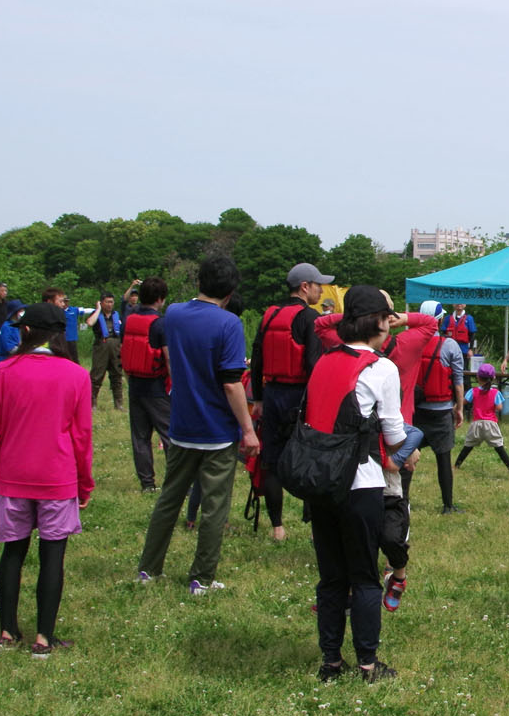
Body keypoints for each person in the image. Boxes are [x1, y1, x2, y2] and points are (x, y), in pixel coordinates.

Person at [135, 256, 261, 595]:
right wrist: (248, 430)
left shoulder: (173, 313)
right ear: (231, 290)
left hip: (181, 425)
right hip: (217, 430)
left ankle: (148, 569)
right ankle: (202, 578)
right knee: (214, 507)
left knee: (169, 499)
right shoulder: (229, 323)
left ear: (198, 282)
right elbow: (232, 383)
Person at [303, 285, 407, 683]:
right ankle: (367, 663)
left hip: (319, 481)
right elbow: (394, 435)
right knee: (363, 576)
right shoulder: (381, 368)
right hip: (361, 482)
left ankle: (330, 662)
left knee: (331, 577)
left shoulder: (325, 361)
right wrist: (407, 448)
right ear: (379, 321)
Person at [0, 301, 94, 656]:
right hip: (58, 478)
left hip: (13, 476)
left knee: (12, 553)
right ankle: (44, 637)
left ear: (26, 331)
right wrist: (84, 482)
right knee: (52, 557)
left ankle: (7, 630)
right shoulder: (76, 375)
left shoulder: (5, 371)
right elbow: (81, 435)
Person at [252, 262, 333, 539]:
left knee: (271, 461)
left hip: (272, 394)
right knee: (309, 457)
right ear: (305, 287)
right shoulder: (310, 318)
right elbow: (313, 363)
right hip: (299, 396)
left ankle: (277, 527)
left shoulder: (270, 315)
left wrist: (259, 399)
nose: (321, 290)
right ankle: (312, 522)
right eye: (318, 285)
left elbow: (257, 359)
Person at [402, 301, 465, 512]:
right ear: (438, 320)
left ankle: (402, 501)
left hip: (415, 411)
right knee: (444, 459)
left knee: (408, 458)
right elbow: (457, 380)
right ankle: (448, 506)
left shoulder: (409, 343)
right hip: (441, 412)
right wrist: (459, 408)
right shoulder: (450, 346)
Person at [120, 277, 172, 490]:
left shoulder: (129, 319)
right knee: (170, 436)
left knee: (140, 437)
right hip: (157, 388)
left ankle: (147, 483)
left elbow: (124, 351)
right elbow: (169, 359)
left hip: (135, 385)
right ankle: (178, 483)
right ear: (160, 299)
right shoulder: (161, 323)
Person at [454, 364, 509, 473]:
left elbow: (462, 402)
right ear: (493, 378)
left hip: (476, 424)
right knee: (499, 447)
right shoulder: (495, 392)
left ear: (477, 377)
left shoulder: (473, 391)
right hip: (491, 424)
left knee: (468, 446)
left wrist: (454, 408)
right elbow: (499, 407)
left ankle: (456, 466)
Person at [86, 292, 125, 410]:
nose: (109, 304)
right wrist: (97, 309)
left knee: (117, 375)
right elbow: (90, 323)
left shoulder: (117, 315)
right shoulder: (97, 314)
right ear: (101, 303)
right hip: (101, 346)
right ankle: (92, 403)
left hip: (115, 346)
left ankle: (119, 404)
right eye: (107, 302)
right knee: (97, 375)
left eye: (111, 302)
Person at [40, 287, 84, 366]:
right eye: (60, 301)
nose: (63, 304)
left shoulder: (58, 320)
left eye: (64, 301)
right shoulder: (41, 321)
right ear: (50, 302)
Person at [442, 303, 476, 367]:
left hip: (464, 350)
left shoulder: (469, 319)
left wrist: (470, 349)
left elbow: (472, 335)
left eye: (462, 302)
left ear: (465, 305)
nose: (459, 304)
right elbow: (443, 334)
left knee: (464, 369)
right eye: (456, 302)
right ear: (453, 304)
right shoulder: (447, 318)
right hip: (449, 350)